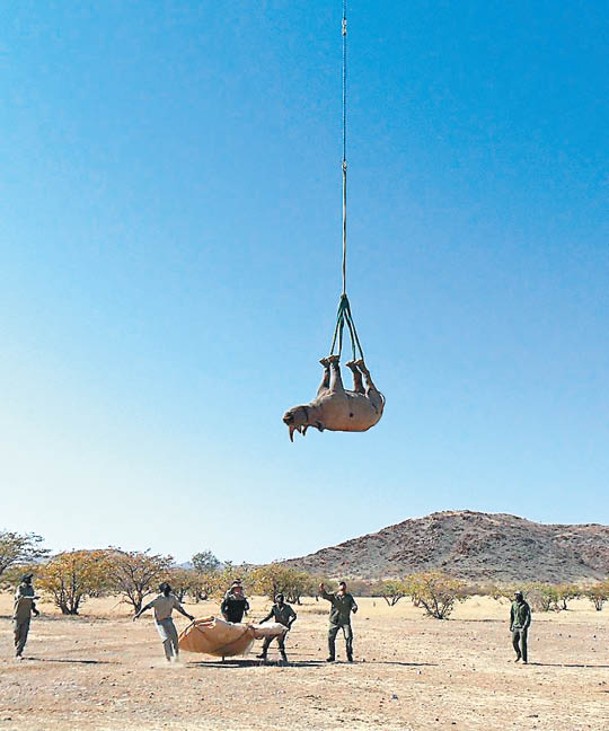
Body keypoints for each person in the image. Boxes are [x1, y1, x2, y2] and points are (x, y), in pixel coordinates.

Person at [133, 582, 195, 662]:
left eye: (168, 590)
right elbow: (148, 606)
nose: (167, 592)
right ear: (162, 590)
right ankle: (169, 658)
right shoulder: (158, 599)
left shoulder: (172, 598)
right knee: (166, 639)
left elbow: (179, 609)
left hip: (168, 620)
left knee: (175, 638)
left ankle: (176, 657)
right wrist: (138, 614)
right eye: (165, 590)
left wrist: (188, 616)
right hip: (159, 621)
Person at [319, 581, 358, 662]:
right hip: (334, 620)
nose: (342, 588)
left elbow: (353, 604)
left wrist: (354, 608)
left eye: (344, 587)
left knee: (348, 637)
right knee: (331, 638)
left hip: (345, 621)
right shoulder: (334, 596)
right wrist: (322, 589)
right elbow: (325, 596)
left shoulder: (349, 597)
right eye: (341, 587)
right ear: (338, 588)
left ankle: (349, 654)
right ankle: (331, 656)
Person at [256, 593, 297, 663]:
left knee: (280, 641)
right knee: (267, 639)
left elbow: (294, 616)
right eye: (278, 598)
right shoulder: (274, 607)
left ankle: (284, 658)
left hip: (283, 627)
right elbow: (269, 616)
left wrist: (289, 624)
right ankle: (264, 654)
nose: (280, 599)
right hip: (276, 627)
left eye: (281, 598)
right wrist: (262, 621)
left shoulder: (287, 607)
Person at [13, 573, 40, 660]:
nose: (30, 580)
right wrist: (31, 597)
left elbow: (31, 602)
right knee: (17, 633)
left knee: (24, 635)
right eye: (28, 579)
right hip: (18, 615)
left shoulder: (31, 589)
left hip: (27, 615)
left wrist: (34, 609)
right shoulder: (20, 588)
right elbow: (20, 597)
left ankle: (19, 652)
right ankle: (17, 644)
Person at [510, 590, 532, 664]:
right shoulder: (513, 604)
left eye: (517, 595)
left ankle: (524, 659)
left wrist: (525, 626)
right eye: (515, 595)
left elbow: (528, 617)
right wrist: (511, 625)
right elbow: (512, 615)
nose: (516, 596)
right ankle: (518, 654)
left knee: (523, 643)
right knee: (514, 641)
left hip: (522, 627)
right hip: (515, 626)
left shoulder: (525, 605)